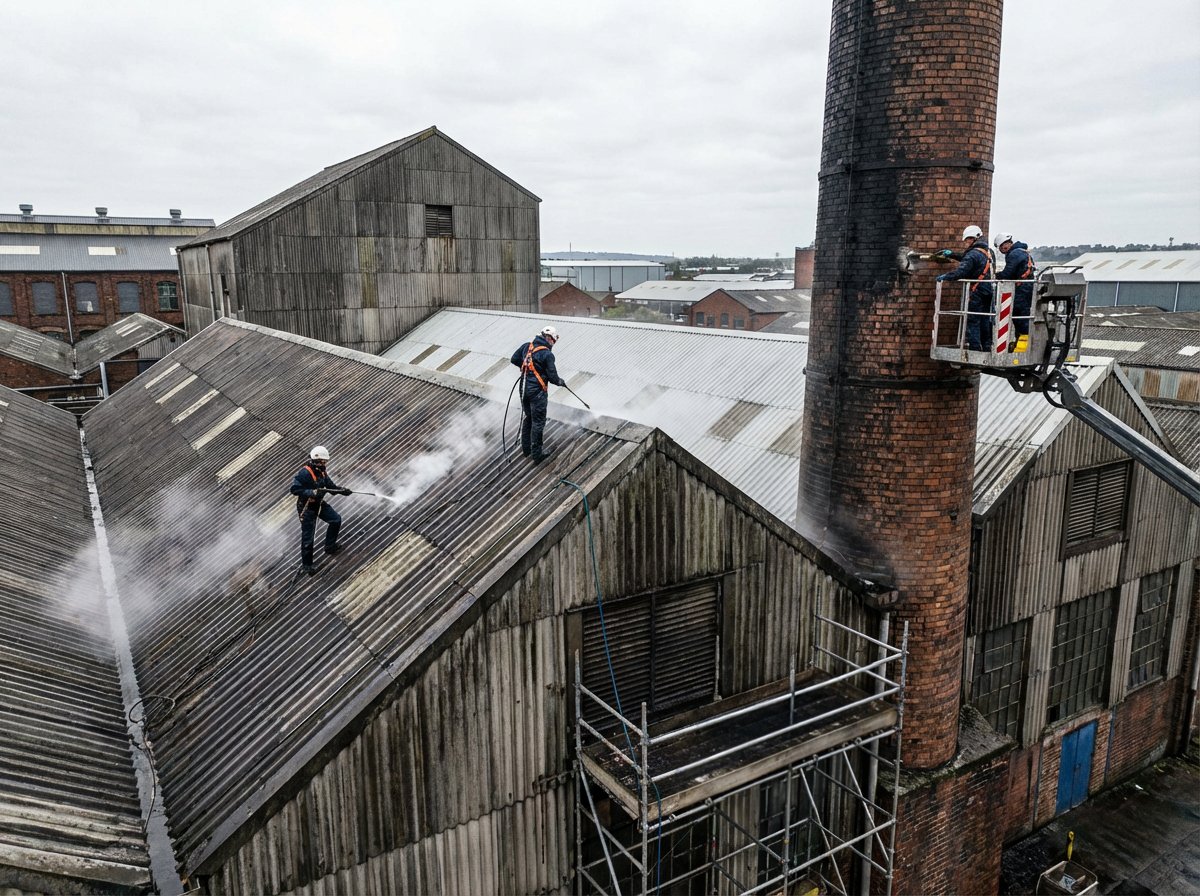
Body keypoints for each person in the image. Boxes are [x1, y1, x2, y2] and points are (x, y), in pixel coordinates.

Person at [290, 445, 351, 575]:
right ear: (315, 461)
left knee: (336, 520)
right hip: (306, 507)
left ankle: (330, 546)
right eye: (322, 462)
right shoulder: (305, 473)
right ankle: (307, 565)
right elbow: (294, 489)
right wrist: (311, 492)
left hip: (319, 504)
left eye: (325, 462)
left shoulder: (322, 472)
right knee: (308, 537)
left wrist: (342, 491)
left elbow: (330, 487)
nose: (324, 464)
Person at [510, 325, 566, 463]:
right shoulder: (547, 354)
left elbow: (514, 359)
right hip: (537, 392)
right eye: (553, 340)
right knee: (538, 422)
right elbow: (553, 377)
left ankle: (526, 449)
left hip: (524, 389)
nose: (553, 344)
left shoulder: (526, 346)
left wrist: (526, 367)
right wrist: (561, 382)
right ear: (548, 338)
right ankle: (537, 454)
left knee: (529, 417)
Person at [936, 225, 995, 351]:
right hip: (988, 290)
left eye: (967, 239)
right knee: (985, 319)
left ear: (973, 238)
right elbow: (968, 259)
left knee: (973, 319)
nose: (966, 242)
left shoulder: (973, 254)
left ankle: (975, 348)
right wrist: (952, 255)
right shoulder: (988, 252)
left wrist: (945, 277)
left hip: (977, 291)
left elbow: (961, 272)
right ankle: (987, 347)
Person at [993, 233, 1036, 345]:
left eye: (1002, 247)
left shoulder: (1014, 254)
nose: (1002, 250)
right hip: (1026, 287)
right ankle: (1020, 343)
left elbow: (1008, 273)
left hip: (1022, 289)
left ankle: (1023, 345)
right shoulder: (1022, 252)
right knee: (1021, 316)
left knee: (1020, 317)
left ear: (1007, 244)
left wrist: (995, 276)